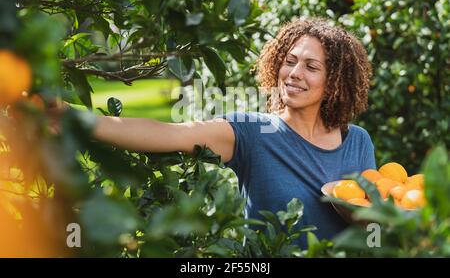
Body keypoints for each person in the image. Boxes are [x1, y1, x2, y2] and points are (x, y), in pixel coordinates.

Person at [49, 17, 376, 249]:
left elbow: (371, 219)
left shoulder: (357, 141)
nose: (294, 73)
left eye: (311, 66)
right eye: (289, 61)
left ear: (334, 81)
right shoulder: (253, 133)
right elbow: (168, 133)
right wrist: (74, 118)